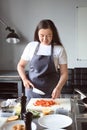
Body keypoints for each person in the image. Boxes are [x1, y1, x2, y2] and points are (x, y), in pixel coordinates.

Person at [17, 19, 68, 100]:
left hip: (52, 92)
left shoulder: (59, 49)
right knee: (31, 112)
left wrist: (58, 88)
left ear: (53, 34)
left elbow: (64, 73)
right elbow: (20, 65)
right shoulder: (31, 46)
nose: (45, 39)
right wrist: (24, 79)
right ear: (37, 33)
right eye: (42, 35)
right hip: (32, 91)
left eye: (49, 35)